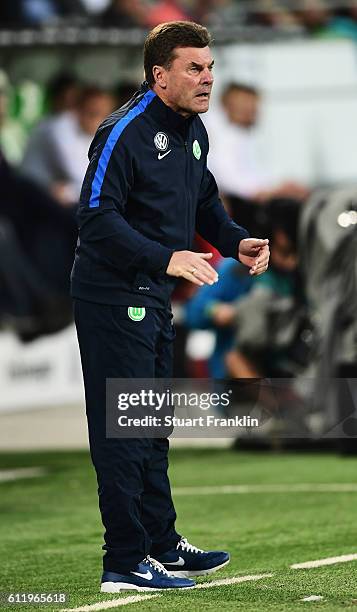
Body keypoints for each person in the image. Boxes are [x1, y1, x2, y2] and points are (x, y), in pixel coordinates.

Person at [71, 20, 270, 593]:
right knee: (123, 431)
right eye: (194, 68)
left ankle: (161, 544)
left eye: (210, 67)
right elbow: (96, 218)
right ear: (160, 76)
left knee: (152, 426)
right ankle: (124, 559)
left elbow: (202, 198)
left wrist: (234, 240)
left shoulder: (193, 130)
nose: (207, 78)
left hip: (153, 296)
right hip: (112, 297)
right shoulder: (123, 132)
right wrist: (166, 258)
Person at [22, 86, 115, 206]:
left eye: (105, 115)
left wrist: (69, 192)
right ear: (77, 110)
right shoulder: (58, 128)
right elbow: (80, 176)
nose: (99, 121)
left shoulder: (93, 133)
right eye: (93, 113)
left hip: (49, 198)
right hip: (28, 195)